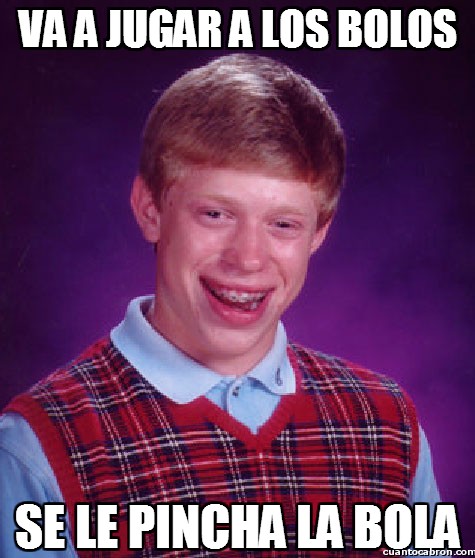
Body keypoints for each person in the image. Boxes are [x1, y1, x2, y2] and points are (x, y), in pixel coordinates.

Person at [0, 54, 439, 557]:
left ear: (318, 234)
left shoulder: (389, 427)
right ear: (150, 210)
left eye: (283, 224)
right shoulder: (39, 448)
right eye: (215, 214)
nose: (247, 258)